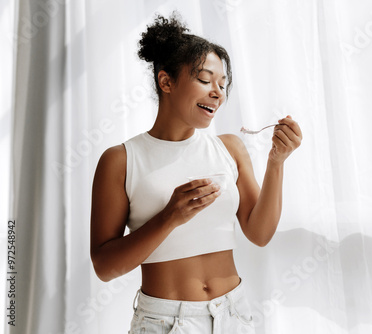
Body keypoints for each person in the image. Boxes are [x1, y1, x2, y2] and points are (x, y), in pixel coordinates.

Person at [90, 12, 302, 334]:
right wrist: (169, 217)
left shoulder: (229, 148)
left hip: (234, 314)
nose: (218, 92)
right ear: (166, 82)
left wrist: (277, 162)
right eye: (205, 80)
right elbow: (104, 267)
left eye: (222, 84)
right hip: (164, 322)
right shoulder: (121, 160)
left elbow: (259, 234)